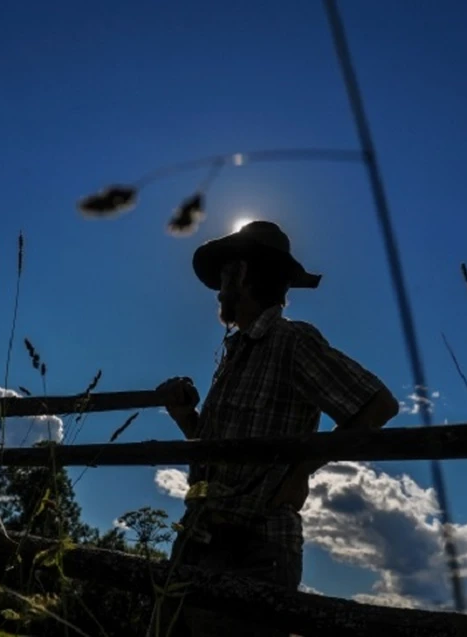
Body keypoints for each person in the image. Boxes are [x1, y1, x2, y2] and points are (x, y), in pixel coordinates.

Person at [153, 220, 399, 636]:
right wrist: (184, 418)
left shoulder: (291, 342)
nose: (219, 290)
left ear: (243, 274)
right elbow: (219, 451)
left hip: (256, 547)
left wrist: (302, 469)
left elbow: (378, 404)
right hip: (199, 537)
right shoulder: (237, 353)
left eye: (225, 277)